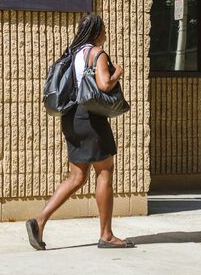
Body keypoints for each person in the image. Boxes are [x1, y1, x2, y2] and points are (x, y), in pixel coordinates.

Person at [26, 14, 134, 250]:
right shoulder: (97, 53)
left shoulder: (73, 53)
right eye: (104, 29)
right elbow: (104, 84)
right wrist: (118, 72)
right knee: (105, 171)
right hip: (91, 119)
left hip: (71, 117)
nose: (105, 33)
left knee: (77, 177)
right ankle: (106, 235)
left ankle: (39, 220)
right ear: (97, 32)